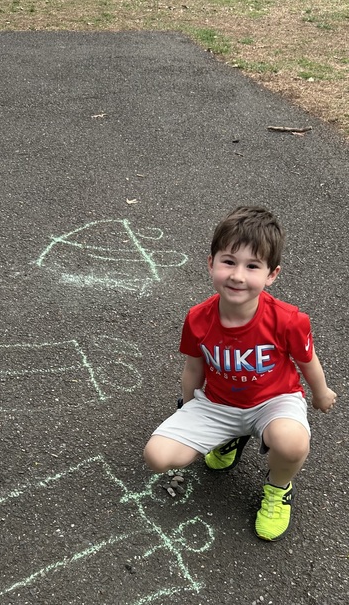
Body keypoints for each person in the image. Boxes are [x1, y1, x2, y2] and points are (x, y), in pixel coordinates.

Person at [144, 206, 336, 541]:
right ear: (211, 263)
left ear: (271, 274)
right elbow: (194, 368)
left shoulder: (288, 319)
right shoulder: (198, 318)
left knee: (291, 443)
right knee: (158, 456)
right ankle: (232, 437)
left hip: (273, 402)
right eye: (229, 261)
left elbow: (307, 360)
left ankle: (278, 488)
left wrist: (321, 393)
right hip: (219, 404)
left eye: (252, 266)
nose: (237, 275)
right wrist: (189, 407)